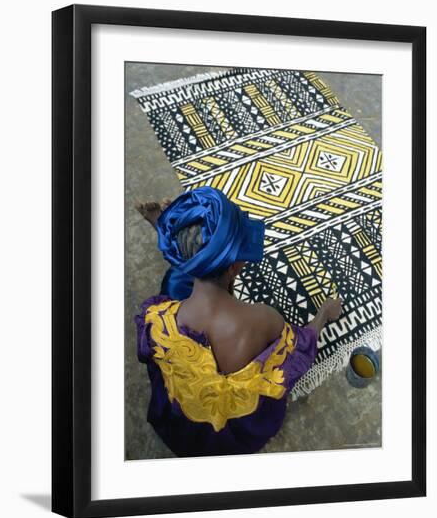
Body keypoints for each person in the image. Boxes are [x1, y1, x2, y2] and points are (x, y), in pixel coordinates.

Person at [134, 186, 342, 457]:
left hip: (181, 420)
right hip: (232, 431)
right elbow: (301, 345)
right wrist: (325, 313)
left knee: (172, 286)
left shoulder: (157, 318)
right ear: (235, 266)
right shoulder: (262, 319)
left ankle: (182, 242)